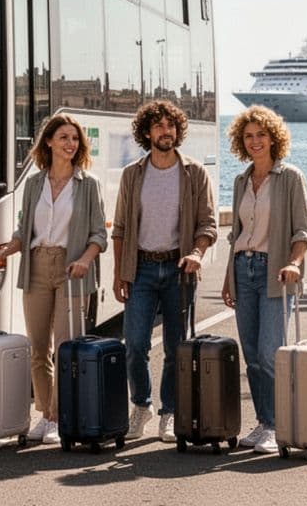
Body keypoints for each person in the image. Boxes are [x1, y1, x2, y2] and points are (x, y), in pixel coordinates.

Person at [0, 113, 107, 445]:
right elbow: (24, 233)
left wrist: (84, 260)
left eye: (75, 139)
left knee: (65, 348)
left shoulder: (88, 184)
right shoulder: (35, 183)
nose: (70, 144)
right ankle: (45, 413)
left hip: (71, 269)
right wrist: (2, 253)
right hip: (36, 265)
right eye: (63, 137)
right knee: (39, 347)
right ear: (48, 142)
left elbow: (99, 234)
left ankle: (58, 416)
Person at [110, 100, 217, 443]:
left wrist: (198, 253)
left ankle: (169, 412)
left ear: (178, 131)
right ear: (147, 132)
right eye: (158, 126)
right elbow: (121, 229)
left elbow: (208, 225)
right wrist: (118, 273)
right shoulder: (133, 174)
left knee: (176, 347)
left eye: (170, 126)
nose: (165, 131)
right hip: (140, 268)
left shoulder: (195, 173)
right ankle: (141, 405)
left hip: (179, 270)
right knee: (135, 344)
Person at [221, 104, 307, 454]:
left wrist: (294, 263)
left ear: (274, 138)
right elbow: (237, 233)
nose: (255, 141)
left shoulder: (290, 178)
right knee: (251, 355)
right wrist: (229, 278)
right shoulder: (241, 180)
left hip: (276, 274)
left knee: (270, 352)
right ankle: (263, 423)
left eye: (261, 135)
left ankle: (277, 426)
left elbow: (302, 231)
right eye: (248, 136)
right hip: (243, 270)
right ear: (240, 142)